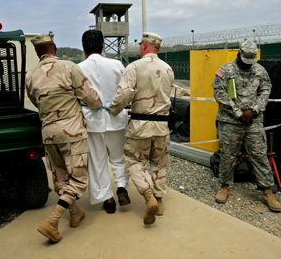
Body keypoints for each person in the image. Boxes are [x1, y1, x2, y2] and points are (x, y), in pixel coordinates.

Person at [26, 32, 103, 242]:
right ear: (55, 47)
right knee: (78, 180)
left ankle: (75, 213)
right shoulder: (69, 67)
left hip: (48, 134)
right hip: (71, 132)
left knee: (61, 179)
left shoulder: (31, 75)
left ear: (36, 51)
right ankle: (52, 221)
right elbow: (91, 98)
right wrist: (96, 105)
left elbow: (36, 102)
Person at [106, 32, 174, 224]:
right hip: (162, 126)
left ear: (144, 46)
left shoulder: (135, 67)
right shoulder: (168, 69)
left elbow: (124, 94)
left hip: (140, 126)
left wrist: (113, 109)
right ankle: (159, 201)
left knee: (133, 160)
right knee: (159, 163)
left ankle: (148, 195)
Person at [212, 40, 281, 212]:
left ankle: (267, 191)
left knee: (259, 154)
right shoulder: (225, 70)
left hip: (253, 121)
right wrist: (238, 112)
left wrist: (254, 110)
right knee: (228, 155)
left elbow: (266, 90)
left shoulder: (259, 70)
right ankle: (225, 186)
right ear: (239, 55)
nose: (248, 64)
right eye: (245, 60)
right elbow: (218, 92)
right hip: (230, 121)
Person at [78, 29, 130, 214]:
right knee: (118, 157)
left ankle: (108, 199)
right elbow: (126, 90)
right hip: (116, 117)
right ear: (102, 45)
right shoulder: (117, 64)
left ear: (83, 47)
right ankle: (122, 187)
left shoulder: (79, 68)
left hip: (93, 121)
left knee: (98, 161)